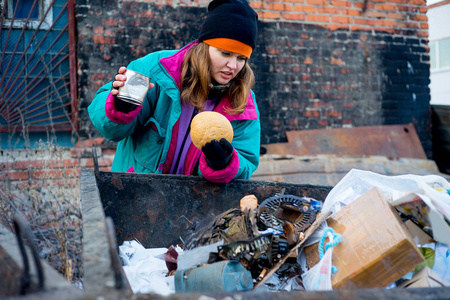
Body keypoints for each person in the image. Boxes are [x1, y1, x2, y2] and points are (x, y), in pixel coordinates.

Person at [88, 0, 260, 183]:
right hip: (135, 194)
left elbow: (246, 162)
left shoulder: (243, 102)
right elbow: (109, 131)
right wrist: (121, 107)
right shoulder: (155, 69)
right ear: (206, 47)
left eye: (241, 58)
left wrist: (224, 164)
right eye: (225, 53)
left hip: (193, 205)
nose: (233, 66)